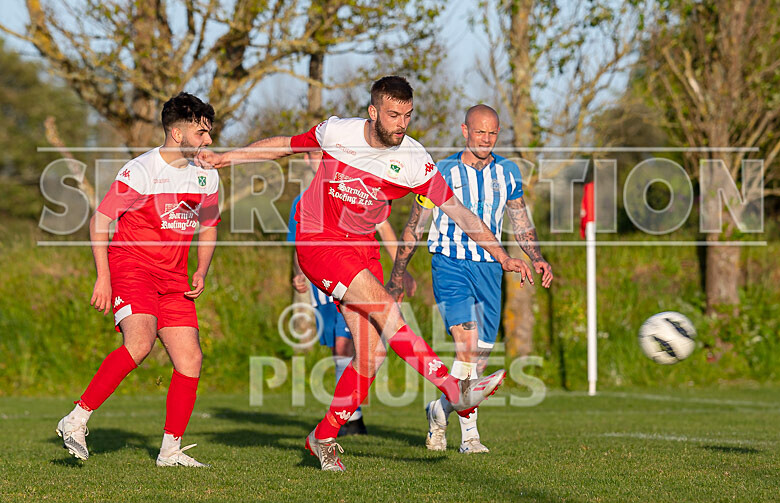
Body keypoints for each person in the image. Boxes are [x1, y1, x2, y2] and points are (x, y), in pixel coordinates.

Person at [198, 76, 534, 472]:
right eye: (393, 114)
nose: (401, 123)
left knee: (373, 354)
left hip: (362, 250)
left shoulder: (413, 160)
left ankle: (322, 436)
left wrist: (501, 256)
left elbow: (460, 212)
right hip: (318, 239)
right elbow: (285, 146)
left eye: (407, 115)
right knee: (386, 311)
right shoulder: (337, 132)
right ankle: (451, 386)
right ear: (373, 112)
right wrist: (225, 158)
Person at [56, 92, 221, 467]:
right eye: (201, 133)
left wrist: (200, 269)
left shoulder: (205, 175)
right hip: (133, 268)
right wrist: (103, 278)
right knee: (141, 343)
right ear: (177, 134)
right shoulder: (141, 170)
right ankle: (76, 420)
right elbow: (100, 222)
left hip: (175, 276)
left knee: (190, 359)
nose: (208, 140)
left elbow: (209, 227)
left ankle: (169, 451)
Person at [386, 105, 553, 454]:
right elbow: (416, 225)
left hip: (491, 269)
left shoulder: (508, 172)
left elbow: (520, 221)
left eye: (493, 133)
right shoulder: (439, 171)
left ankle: (439, 409)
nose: (486, 139)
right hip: (450, 265)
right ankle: (471, 437)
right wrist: (398, 274)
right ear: (465, 131)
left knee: (478, 362)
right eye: (480, 132)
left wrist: (536, 257)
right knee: (467, 345)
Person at [288, 182, 417, 436]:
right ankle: (343, 418)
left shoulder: (356, 187)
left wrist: (402, 272)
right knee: (339, 348)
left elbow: (385, 229)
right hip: (321, 277)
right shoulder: (306, 199)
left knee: (352, 345)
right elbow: (299, 240)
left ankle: (350, 418)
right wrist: (298, 272)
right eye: (314, 155)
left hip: (356, 276)